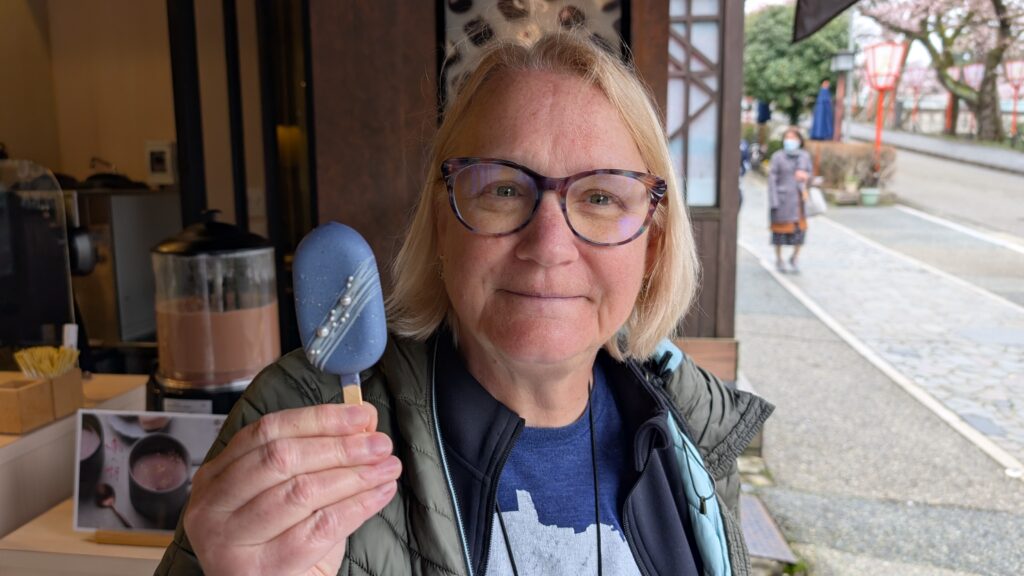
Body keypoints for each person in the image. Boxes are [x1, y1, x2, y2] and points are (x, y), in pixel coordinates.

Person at [156, 32, 772, 576]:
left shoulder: (693, 426)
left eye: (602, 198)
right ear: (441, 222)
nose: (548, 247)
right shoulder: (298, 415)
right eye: (503, 189)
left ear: (651, 244)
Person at [768, 127, 812, 274]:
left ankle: (795, 257)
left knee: (800, 231)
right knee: (779, 231)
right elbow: (772, 180)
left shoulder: (804, 156)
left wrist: (806, 177)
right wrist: (774, 201)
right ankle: (779, 258)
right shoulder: (777, 157)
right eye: (787, 138)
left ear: (799, 140)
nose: (790, 141)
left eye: (793, 138)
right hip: (782, 200)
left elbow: (811, 175)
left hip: (799, 201)